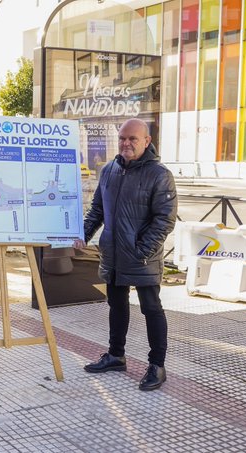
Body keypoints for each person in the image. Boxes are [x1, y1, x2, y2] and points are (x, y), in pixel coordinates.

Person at [73, 118, 177, 391]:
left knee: (151, 308)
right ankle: (116, 356)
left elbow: (164, 221)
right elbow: (97, 210)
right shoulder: (108, 170)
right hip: (114, 255)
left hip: (142, 257)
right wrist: (83, 235)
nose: (126, 143)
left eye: (132, 139)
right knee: (116, 306)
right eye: (122, 138)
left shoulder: (159, 175)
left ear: (147, 142)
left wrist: (141, 251)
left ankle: (157, 365)